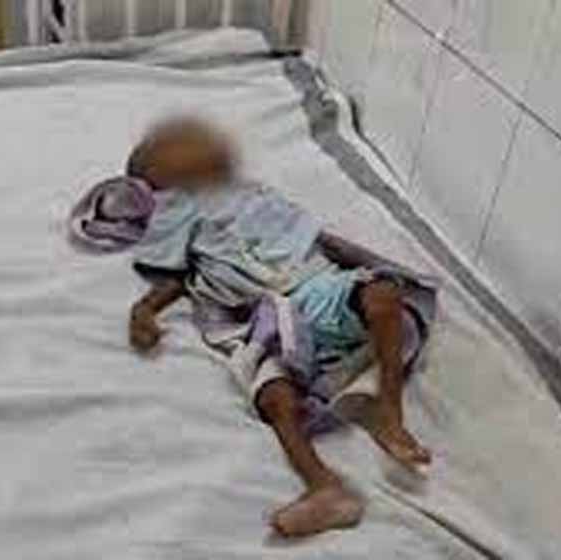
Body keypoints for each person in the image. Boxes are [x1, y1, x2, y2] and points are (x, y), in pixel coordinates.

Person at [126, 117, 432, 537]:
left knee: (384, 295)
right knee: (274, 397)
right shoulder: (179, 234)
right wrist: (144, 310)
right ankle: (325, 487)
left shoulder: (251, 196)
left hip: (319, 288)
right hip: (269, 317)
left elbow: (313, 236)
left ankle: (389, 410)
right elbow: (176, 278)